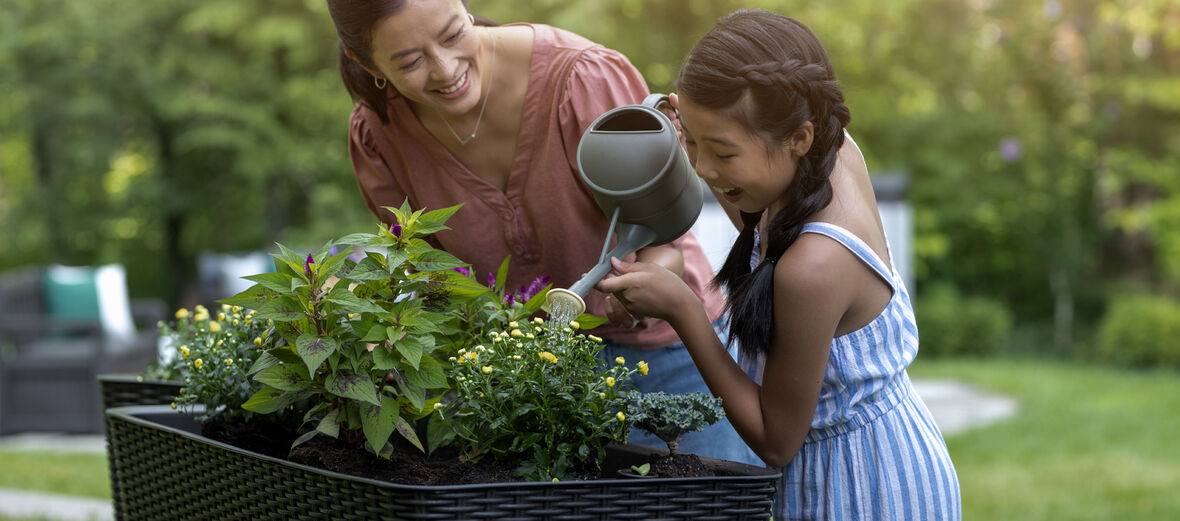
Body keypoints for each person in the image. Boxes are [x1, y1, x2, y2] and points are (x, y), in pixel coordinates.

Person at [324, 0, 761, 466]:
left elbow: (664, 245)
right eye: (411, 61)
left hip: (665, 358)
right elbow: (425, 274)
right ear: (366, 63)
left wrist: (638, 289)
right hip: (528, 381)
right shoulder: (379, 135)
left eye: (453, 35)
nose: (445, 69)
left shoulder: (581, 79)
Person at [595, 9, 961, 520]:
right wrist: (702, 140)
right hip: (871, 456)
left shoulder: (813, 267)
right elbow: (758, 210)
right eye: (695, 144)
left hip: (862, 487)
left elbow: (775, 440)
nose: (702, 168)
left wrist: (684, 309)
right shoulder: (828, 153)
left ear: (800, 138)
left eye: (721, 152)